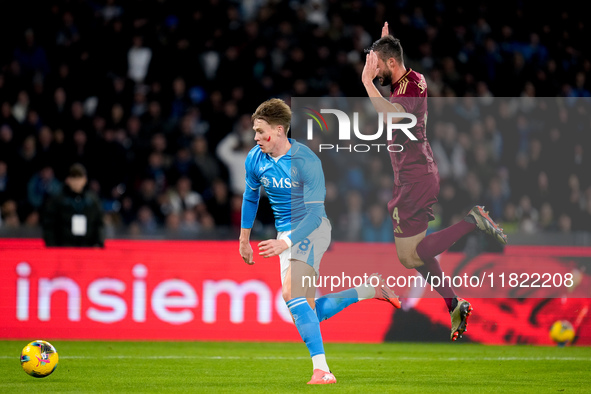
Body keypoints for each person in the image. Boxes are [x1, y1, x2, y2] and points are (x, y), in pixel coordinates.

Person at [361, 22, 507, 341]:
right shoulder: (406, 80)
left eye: (376, 65)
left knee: (411, 255)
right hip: (414, 175)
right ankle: (453, 302)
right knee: (412, 254)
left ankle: (473, 220)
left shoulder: (410, 88)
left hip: (415, 176)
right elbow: (391, 78)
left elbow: (391, 116)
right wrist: (383, 43)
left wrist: (367, 83)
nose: (372, 70)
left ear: (390, 64)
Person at [239, 98, 400, 385]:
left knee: (292, 293)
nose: (255, 137)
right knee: (304, 310)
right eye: (254, 131)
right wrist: (244, 239)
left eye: (260, 131)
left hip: (312, 230)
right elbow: (250, 196)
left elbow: (314, 215)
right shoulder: (255, 158)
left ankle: (322, 370)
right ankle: (368, 290)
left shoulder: (307, 161)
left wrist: (286, 243)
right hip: (285, 235)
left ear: (278, 130)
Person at [42, 163, 105, 247]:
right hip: (63, 247)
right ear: (68, 180)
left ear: (85, 180)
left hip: (87, 247)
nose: (77, 182)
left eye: (79, 178)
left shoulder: (93, 200)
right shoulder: (58, 200)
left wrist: (98, 243)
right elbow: (49, 224)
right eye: (74, 178)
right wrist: (51, 245)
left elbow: (99, 224)